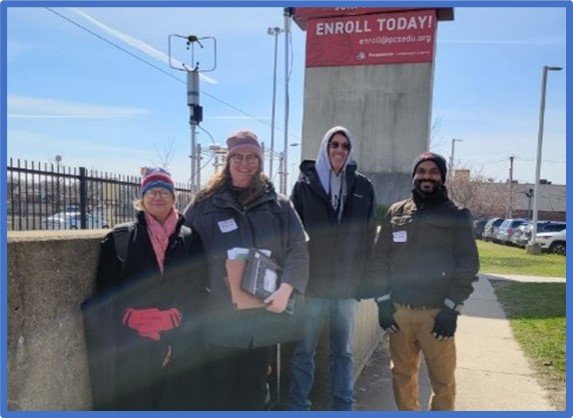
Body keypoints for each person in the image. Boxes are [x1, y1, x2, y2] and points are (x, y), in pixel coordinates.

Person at [184, 130, 309, 411]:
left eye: (252, 156)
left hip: (261, 322)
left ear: (260, 161)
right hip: (220, 321)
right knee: (219, 394)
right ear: (227, 161)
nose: (244, 163)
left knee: (254, 393)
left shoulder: (279, 205)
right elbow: (181, 248)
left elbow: (298, 250)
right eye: (237, 156)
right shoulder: (205, 204)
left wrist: (287, 290)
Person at [87, 167, 207, 410]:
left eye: (164, 190)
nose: (158, 196)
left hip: (180, 344)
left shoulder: (191, 239)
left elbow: (199, 286)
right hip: (133, 347)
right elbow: (107, 292)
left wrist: (174, 321)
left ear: (174, 197)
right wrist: (133, 319)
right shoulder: (118, 239)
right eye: (151, 191)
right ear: (142, 198)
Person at [371, 152, 479, 411]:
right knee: (402, 377)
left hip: (437, 315)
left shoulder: (457, 216)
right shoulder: (397, 212)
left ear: (442, 177)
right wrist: (383, 303)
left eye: (433, 171)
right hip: (400, 314)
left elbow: (468, 266)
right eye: (421, 171)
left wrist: (451, 310)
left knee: (443, 382)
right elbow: (379, 260)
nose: (426, 176)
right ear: (414, 176)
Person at [287, 126, 376, 411]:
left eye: (345, 146)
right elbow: (293, 237)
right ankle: (298, 406)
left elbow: (366, 239)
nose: (339, 150)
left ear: (350, 151)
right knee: (304, 350)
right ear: (325, 148)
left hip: (346, 286)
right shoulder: (305, 185)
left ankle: (343, 405)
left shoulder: (363, 187)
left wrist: (364, 281)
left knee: (344, 352)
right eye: (334, 144)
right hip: (313, 285)